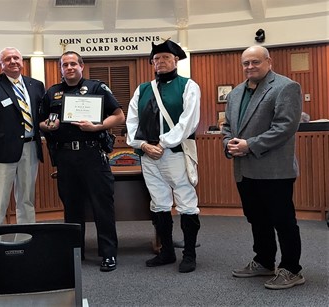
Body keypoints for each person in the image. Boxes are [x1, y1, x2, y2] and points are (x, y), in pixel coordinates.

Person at [221, 45, 305, 289]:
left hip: (274, 169)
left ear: (269, 61)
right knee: (256, 218)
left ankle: (292, 269)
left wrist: (249, 145)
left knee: (283, 220)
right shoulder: (236, 93)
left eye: (255, 62)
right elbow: (227, 127)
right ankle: (264, 261)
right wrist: (229, 144)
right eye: (245, 63)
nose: (250, 67)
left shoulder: (285, 87)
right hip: (244, 169)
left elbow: (285, 127)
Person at [39, 51, 125, 272]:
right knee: (72, 208)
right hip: (66, 158)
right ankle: (76, 253)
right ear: (60, 68)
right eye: (65, 64)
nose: (69, 67)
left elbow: (118, 115)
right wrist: (48, 126)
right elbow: (41, 121)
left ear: (81, 66)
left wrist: (98, 126)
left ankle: (108, 254)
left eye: (73, 64)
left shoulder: (97, 88)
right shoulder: (52, 92)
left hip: (93, 155)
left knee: (102, 207)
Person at [126, 40, 201, 273]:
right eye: (156, 59)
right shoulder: (143, 89)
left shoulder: (188, 86)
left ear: (175, 60)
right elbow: (132, 121)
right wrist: (142, 145)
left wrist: (163, 143)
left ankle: (189, 254)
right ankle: (167, 251)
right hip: (149, 155)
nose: (160, 62)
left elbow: (188, 122)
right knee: (159, 203)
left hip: (176, 153)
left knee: (186, 203)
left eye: (165, 58)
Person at [0, 47, 45, 226]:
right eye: (7, 59)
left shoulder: (36, 85)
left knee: (27, 200)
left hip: (30, 149)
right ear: (1, 65)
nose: (13, 61)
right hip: (0, 152)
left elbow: (41, 115)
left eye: (16, 58)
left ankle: (27, 239)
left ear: (22, 62)